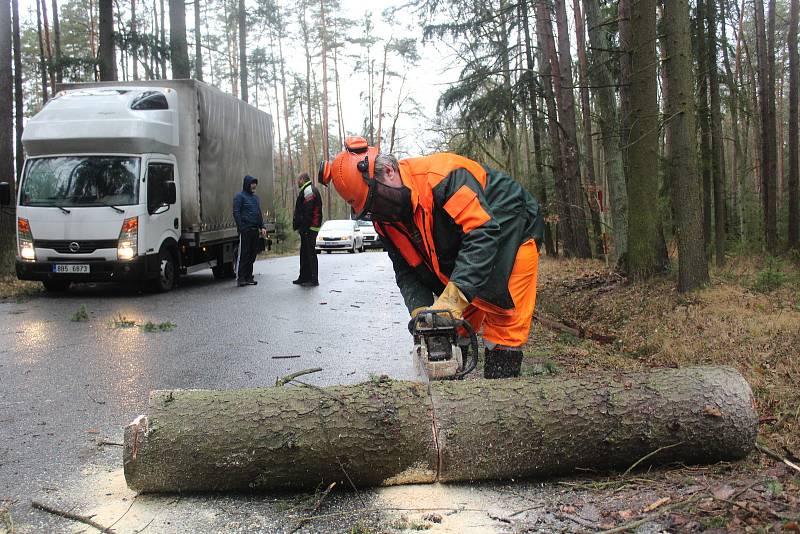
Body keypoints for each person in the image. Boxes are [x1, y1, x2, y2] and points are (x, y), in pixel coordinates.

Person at [318, 136, 544, 378]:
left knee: (503, 319)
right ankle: (453, 397)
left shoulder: (444, 178)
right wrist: (421, 312)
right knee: (449, 325)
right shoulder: (385, 221)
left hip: (511, 229)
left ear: (389, 171)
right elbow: (406, 270)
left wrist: (454, 300)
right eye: (368, 210)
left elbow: (482, 233)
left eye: (375, 201)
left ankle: (503, 401)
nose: (377, 213)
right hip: (463, 251)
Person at [232, 175, 267, 287]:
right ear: (247, 184)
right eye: (252, 183)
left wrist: (263, 227)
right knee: (244, 254)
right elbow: (236, 212)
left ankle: (248, 277)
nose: (254, 186)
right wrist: (241, 227)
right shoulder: (239, 197)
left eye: (255, 184)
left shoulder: (256, 198)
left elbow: (258, 214)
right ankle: (241, 277)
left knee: (252, 254)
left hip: (255, 231)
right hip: (245, 230)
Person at [292, 172, 323, 287]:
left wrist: (304, 227)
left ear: (303, 179)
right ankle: (303, 277)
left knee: (310, 253)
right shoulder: (306, 189)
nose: (297, 182)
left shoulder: (308, 190)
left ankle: (314, 279)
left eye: (298, 180)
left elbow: (308, 212)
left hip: (310, 228)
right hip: (308, 227)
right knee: (304, 253)